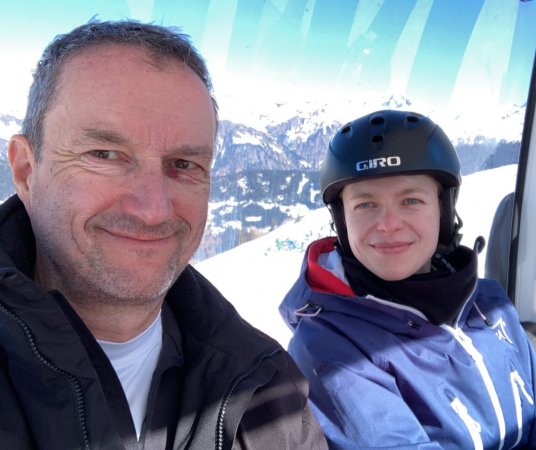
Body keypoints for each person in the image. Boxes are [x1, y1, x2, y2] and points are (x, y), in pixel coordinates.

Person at [0, 19, 327, 449]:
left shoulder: (266, 389)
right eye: (105, 154)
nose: (153, 209)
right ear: (26, 171)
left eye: (184, 165)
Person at [279, 109, 536, 449]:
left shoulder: (488, 304)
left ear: (443, 210)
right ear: (341, 221)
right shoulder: (330, 349)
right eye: (366, 205)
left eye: (411, 200)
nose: (388, 224)